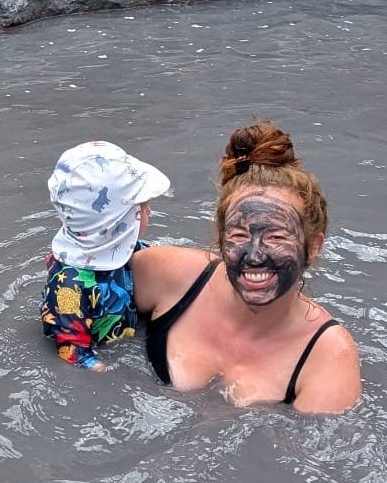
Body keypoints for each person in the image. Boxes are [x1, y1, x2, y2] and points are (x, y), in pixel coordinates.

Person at [130, 121, 362, 413]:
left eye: (276, 237)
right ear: (220, 238)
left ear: (313, 247)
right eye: (239, 235)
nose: (254, 256)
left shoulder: (326, 357)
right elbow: (75, 293)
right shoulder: (168, 276)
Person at [41, 140, 171, 370]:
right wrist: (103, 371)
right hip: (100, 347)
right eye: (142, 207)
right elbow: (73, 351)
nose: (149, 211)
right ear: (116, 222)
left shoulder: (129, 248)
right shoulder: (67, 289)